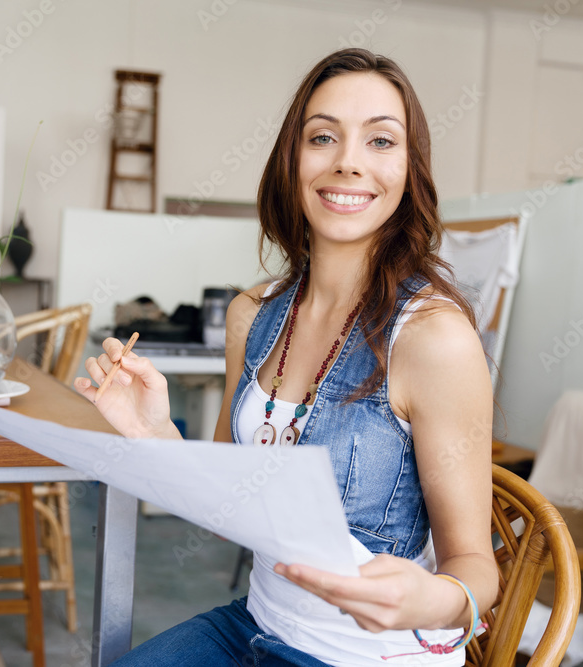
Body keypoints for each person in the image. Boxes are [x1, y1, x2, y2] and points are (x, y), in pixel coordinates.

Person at [74, 48, 498, 667]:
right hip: (255, 627)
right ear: (291, 160)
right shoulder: (255, 314)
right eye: (323, 137)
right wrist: (155, 434)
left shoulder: (433, 337)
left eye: (381, 141)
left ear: (410, 170)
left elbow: (475, 571)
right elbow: (231, 511)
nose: (349, 162)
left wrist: (430, 599)